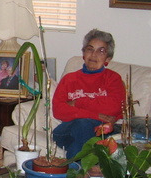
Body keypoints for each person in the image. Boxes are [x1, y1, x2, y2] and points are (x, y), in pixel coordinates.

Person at [52, 29, 126, 159]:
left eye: (101, 51)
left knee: (79, 142)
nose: (94, 54)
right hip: (67, 131)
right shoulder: (70, 79)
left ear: (107, 58)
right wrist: (95, 115)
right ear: (83, 53)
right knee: (82, 125)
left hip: (105, 132)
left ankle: (77, 174)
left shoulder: (113, 79)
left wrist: (78, 103)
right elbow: (58, 110)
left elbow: (114, 107)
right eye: (90, 49)